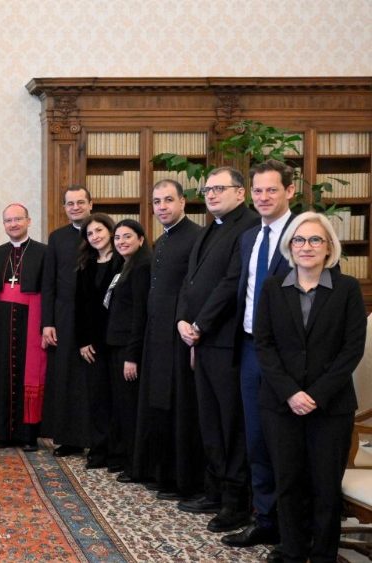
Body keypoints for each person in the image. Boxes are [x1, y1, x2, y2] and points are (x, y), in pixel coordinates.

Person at [255, 212, 366, 563]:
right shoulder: (273, 287)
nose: (306, 246)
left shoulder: (347, 289)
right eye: (299, 240)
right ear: (290, 246)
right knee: (288, 482)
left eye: (315, 240)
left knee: (324, 486)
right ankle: (292, 550)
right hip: (280, 403)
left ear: (329, 246)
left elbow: (352, 349)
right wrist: (290, 392)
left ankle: (322, 554)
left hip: (330, 406)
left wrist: (315, 395)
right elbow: (264, 344)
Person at [175, 167, 259, 532]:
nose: (210, 195)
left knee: (230, 424)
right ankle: (213, 489)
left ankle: (236, 503)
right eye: (207, 189)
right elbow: (190, 281)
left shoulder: (248, 228)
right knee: (208, 420)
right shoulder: (211, 226)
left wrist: (199, 324)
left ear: (241, 193)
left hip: (226, 341)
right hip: (202, 340)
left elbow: (231, 283)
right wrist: (182, 319)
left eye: (218, 189)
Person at [223, 160, 297, 549]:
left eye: (271, 190)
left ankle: (292, 528)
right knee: (256, 440)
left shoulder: (305, 235)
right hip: (250, 349)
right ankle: (265, 519)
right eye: (258, 191)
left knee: (286, 440)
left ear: (290, 191)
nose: (263, 197)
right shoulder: (250, 237)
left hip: (289, 357)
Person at [130, 180, 205, 501]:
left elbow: (195, 290)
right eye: (156, 201)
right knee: (158, 405)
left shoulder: (197, 238)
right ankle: (161, 473)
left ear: (183, 202)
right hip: (156, 336)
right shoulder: (160, 241)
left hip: (180, 336)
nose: (161, 206)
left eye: (168, 200)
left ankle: (182, 481)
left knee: (180, 408)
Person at [0, 204, 47, 450]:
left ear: (29, 221)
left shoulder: (43, 252)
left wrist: (47, 324)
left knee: (28, 376)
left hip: (31, 320)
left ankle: (29, 436)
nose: (13, 224)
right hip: (1, 321)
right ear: (4, 225)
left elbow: (48, 292)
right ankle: (4, 434)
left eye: (18, 219)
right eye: (8, 220)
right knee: (2, 376)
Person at [41, 185, 93, 457]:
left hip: (94, 317)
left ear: (90, 204)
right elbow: (48, 283)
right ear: (64, 208)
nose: (75, 207)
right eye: (70, 203)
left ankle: (95, 438)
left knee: (91, 377)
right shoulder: (58, 237)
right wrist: (47, 322)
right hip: (63, 317)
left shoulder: (100, 233)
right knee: (65, 377)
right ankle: (68, 439)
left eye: (80, 202)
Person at [104, 219, 151, 483]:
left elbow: (138, 315)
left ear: (141, 239)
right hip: (116, 345)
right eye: (118, 238)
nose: (121, 242)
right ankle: (125, 459)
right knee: (121, 408)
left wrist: (132, 356)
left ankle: (136, 466)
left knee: (131, 410)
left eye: (127, 237)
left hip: (128, 349)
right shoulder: (124, 266)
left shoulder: (142, 267)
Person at [73, 214, 121, 469]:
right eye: (90, 234)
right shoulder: (85, 264)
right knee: (97, 399)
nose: (95, 237)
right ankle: (99, 450)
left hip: (116, 341)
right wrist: (83, 342)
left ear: (110, 231)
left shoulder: (123, 261)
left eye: (99, 231)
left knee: (117, 399)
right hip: (92, 344)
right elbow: (80, 306)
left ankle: (117, 453)